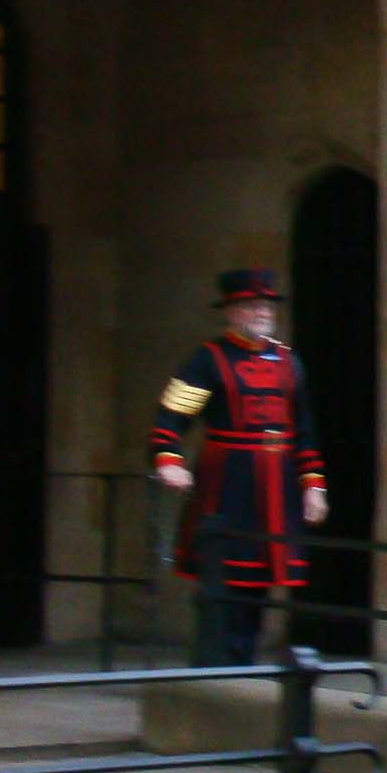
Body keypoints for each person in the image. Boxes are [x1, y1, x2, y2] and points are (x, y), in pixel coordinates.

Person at [150, 269, 329, 665]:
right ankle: (219, 661)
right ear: (230, 312)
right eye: (250, 306)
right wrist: (169, 460)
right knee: (224, 575)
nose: (260, 313)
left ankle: (244, 658)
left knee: (260, 581)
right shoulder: (207, 359)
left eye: (265, 305)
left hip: (277, 484)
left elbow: (304, 430)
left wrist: (313, 485)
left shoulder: (288, 362)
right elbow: (172, 415)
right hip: (228, 480)